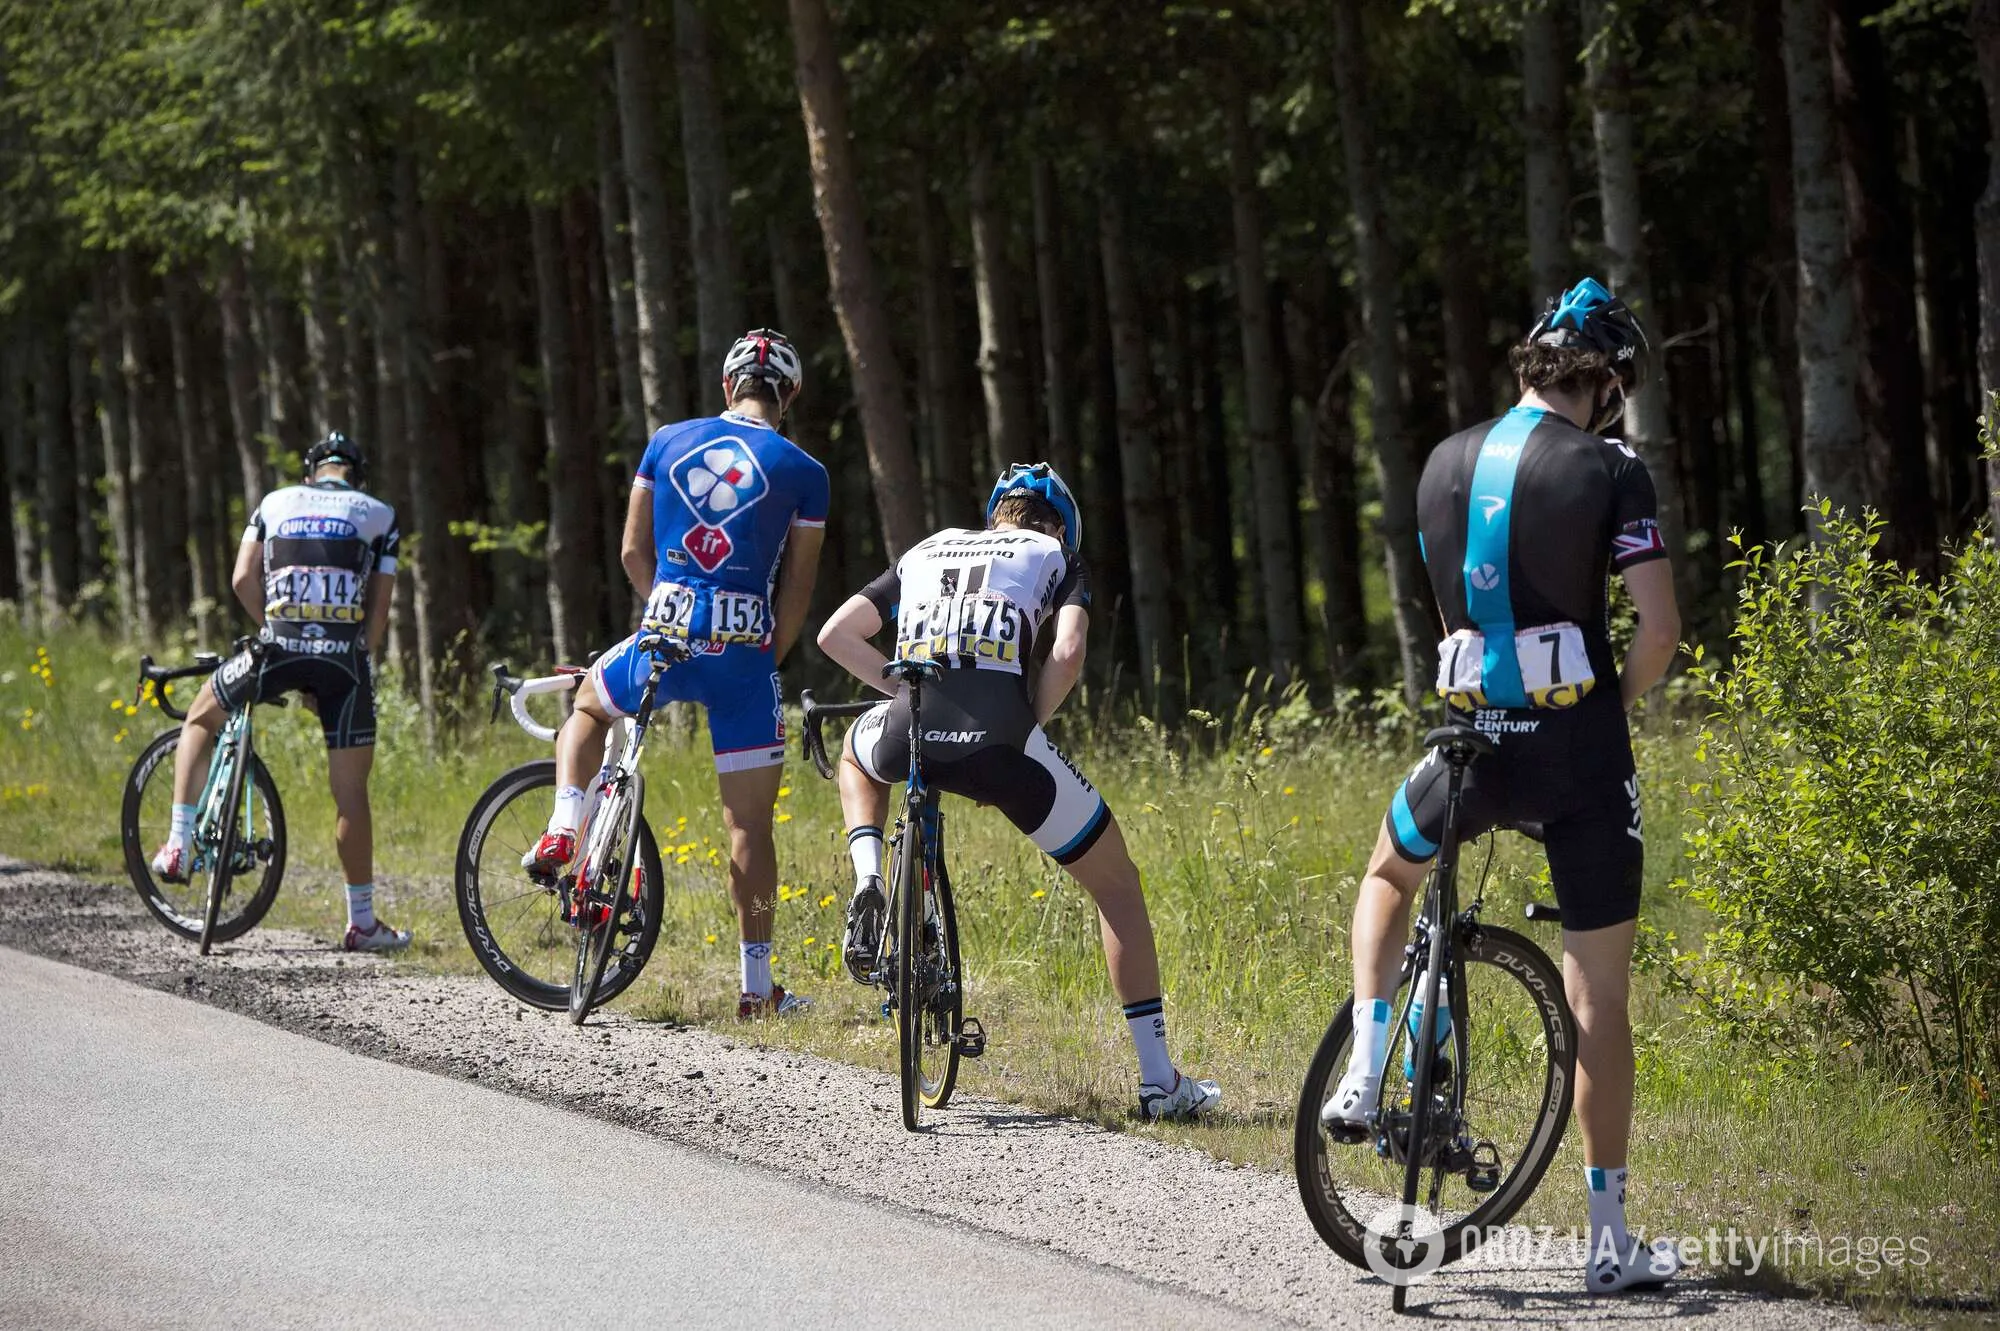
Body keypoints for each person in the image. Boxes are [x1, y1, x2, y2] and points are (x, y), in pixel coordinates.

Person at [1319, 278, 1683, 1292]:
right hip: (1575, 752)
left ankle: (1365, 1057)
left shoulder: (1443, 460)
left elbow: (1451, 616)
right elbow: (1655, 631)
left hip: (1468, 741)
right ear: (1604, 381)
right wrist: (1612, 701)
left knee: (1388, 873)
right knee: (1594, 994)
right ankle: (1607, 1238)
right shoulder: (1611, 468)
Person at [816, 463, 1222, 1122]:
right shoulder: (1058, 554)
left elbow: (835, 634)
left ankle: (868, 875)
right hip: (1002, 740)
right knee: (1118, 884)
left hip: (907, 725)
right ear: (1061, 521)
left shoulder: (929, 549)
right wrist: (1024, 724)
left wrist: (902, 694)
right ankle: (1157, 1081)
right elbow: (1066, 652)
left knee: (856, 756)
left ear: (996, 512)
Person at [522, 328, 827, 1019]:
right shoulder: (806, 471)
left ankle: (566, 826)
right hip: (744, 652)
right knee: (749, 827)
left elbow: (633, 550)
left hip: (663, 634)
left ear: (727, 386)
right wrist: (761, 654)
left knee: (590, 706)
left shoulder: (665, 441)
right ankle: (756, 989)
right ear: (791, 396)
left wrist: (664, 613)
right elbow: (799, 592)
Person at [151, 433, 408, 952]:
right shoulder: (380, 514)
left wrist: (276, 625)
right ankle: (361, 922)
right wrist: (349, 663)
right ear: (356, 477)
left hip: (278, 645)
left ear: (312, 473)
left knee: (202, 715)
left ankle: (179, 843)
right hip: (345, 661)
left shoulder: (274, 502)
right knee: (351, 793)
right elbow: (376, 615)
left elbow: (243, 577)